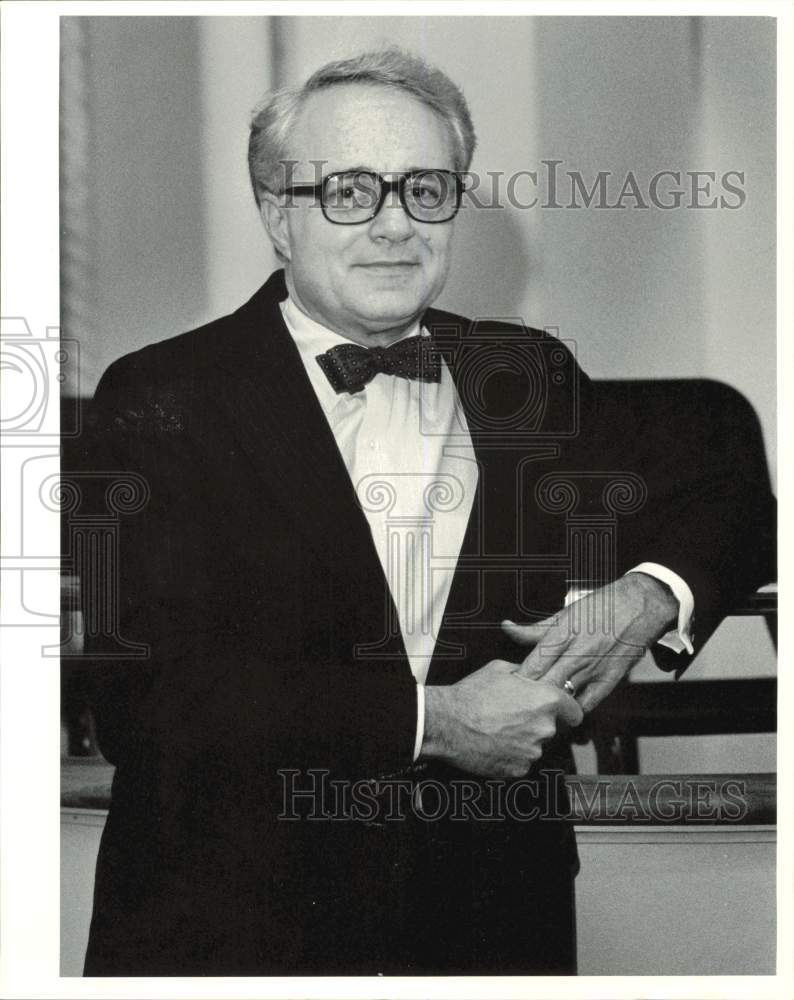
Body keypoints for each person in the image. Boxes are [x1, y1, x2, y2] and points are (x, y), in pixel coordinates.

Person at [81, 48, 776, 976]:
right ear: (277, 215)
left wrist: (650, 594)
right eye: (349, 192)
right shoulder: (157, 393)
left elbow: (733, 498)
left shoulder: (523, 374)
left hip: (490, 920)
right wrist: (435, 720)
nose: (393, 226)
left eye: (426, 190)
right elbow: (148, 699)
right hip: (230, 926)